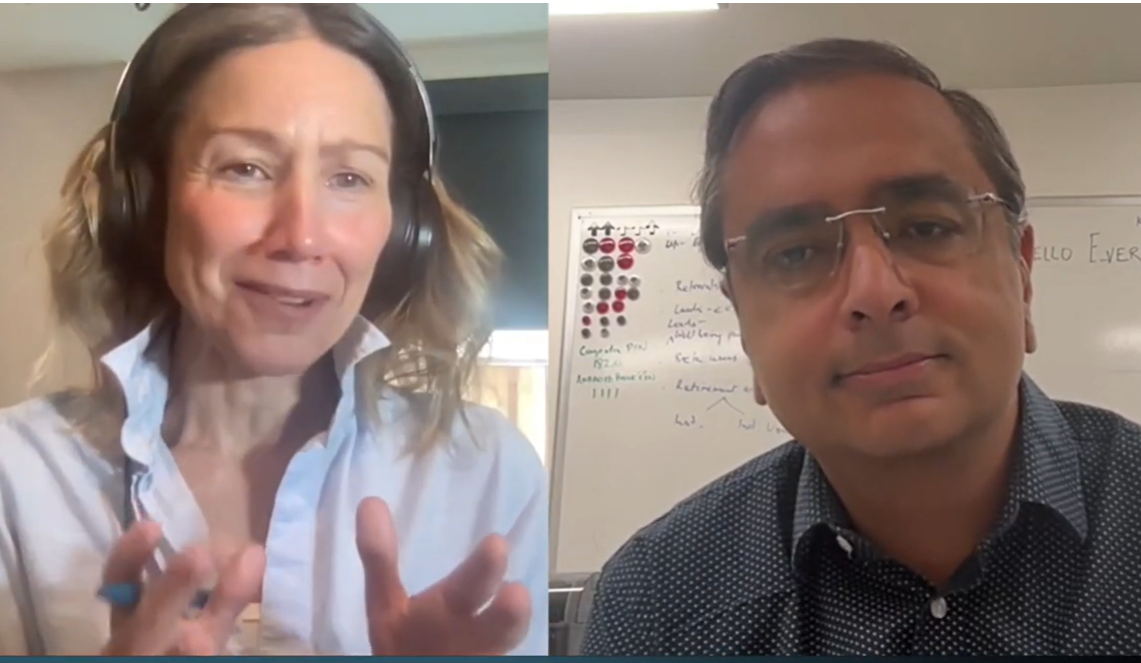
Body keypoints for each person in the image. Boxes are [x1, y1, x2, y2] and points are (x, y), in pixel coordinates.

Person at [0, 3, 547, 656]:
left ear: (401, 230)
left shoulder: (484, 471)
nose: (301, 237)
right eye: (245, 168)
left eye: (349, 178)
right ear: (144, 200)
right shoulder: (17, 475)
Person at [581, 37, 1141, 656]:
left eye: (927, 227)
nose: (876, 292)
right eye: (795, 254)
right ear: (742, 324)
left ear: (1022, 272)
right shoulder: (658, 606)